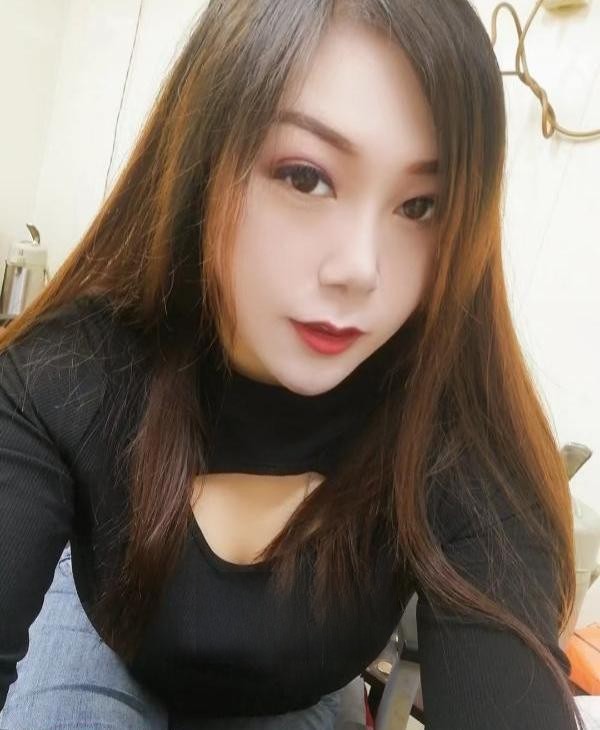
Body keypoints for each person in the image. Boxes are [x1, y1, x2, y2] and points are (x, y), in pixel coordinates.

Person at [0, 1, 586, 729]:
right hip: (111, 642)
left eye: (420, 206)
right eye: (306, 176)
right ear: (203, 159)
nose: (360, 269)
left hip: (292, 692)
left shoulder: (458, 440)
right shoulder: (73, 372)